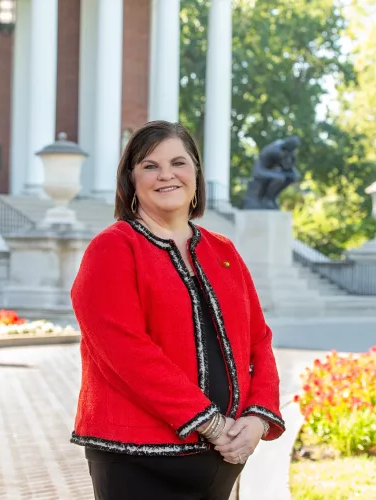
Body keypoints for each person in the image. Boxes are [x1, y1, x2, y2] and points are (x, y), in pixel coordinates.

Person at [70, 120, 285, 500]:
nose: (166, 175)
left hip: (223, 458)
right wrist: (213, 426)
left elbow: (259, 341)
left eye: (178, 163)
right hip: (137, 461)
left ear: (196, 174)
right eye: (150, 166)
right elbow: (125, 351)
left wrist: (256, 419)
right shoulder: (113, 248)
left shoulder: (224, 251)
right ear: (131, 180)